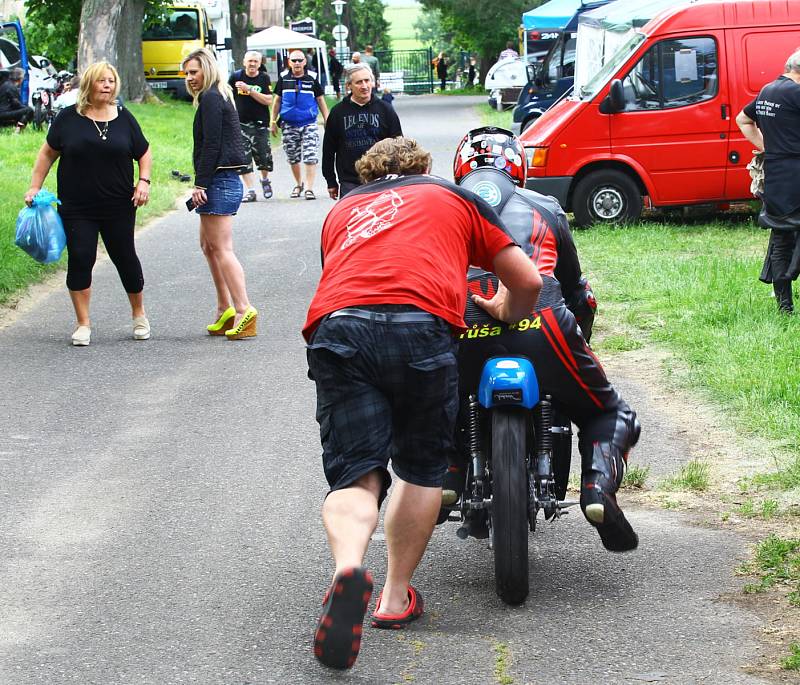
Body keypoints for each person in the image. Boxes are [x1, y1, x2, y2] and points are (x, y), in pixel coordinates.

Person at [304, 136, 542, 670]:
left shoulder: (342, 210)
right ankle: (393, 596)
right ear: (425, 167)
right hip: (421, 329)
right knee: (420, 467)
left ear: (367, 175)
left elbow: (343, 277)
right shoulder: (451, 197)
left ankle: (347, 568)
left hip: (340, 330)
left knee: (356, 477)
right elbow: (526, 280)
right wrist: (505, 310)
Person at [449, 127, 641, 552]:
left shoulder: (441, 208)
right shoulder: (545, 206)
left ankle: (446, 475)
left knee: (430, 404)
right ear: (517, 169)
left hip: (461, 323)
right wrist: (579, 343)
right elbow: (576, 290)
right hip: (544, 320)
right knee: (611, 412)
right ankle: (596, 489)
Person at [23, 61, 152, 346]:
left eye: (111, 80)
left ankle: (139, 314)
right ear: (89, 85)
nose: (108, 85)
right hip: (77, 205)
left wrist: (144, 182)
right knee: (81, 257)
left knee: (125, 257)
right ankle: (83, 324)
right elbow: (47, 154)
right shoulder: (68, 118)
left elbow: (143, 151)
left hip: (118, 204)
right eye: (102, 81)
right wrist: (35, 187)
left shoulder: (124, 117)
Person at [182, 48, 257, 340]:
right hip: (219, 179)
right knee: (208, 246)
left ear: (208, 70)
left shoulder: (213, 97)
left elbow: (212, 144)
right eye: (187, 73)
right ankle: (225, 307)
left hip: (219, 180)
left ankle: (243, 309)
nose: (190, 78)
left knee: (222, 247)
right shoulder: (214, 96)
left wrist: (200, 183)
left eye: (194, 72)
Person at [736, 48, 800, 314]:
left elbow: (743, 119)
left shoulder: (767, 91)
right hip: (796, 174)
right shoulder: (796, 93)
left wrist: (767, 147)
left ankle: (784, 304)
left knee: (781, 237)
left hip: (775, 176)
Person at [322, 64, 402, 200]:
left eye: (367, 80)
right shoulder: (337, 113)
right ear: (349, 86)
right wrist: (331, 181)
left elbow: (399, 145)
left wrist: (400, 177)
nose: (364, 86)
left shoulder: (386, 110)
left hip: (382, 178)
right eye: (359, 82)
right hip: (350, 181)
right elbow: (329, 150)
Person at [270, 49, 329, 200]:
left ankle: (309, 188)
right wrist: (272, 121)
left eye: (300, 60)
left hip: (308, 122)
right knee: (293, 157)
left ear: (304, 62)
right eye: (294, 60)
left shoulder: (312, 78)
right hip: (288, 124)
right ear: (289, 62)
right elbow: (276, 101)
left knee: (310, 155)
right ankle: (299, 184)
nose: (297, 63)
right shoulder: (283, 78)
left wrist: (327, 118)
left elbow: (321, 100)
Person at [229, 50, 274, 202]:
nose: (252, 64)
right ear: (244, 62)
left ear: (260, 64)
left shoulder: (264, 78)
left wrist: (249, 90)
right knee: (243, 158)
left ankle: (265, 180)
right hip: (240, 124)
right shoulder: (236, 77)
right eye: (250, 61)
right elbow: (227, 95)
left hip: (260, 124)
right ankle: (250, 190)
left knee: (263, 157)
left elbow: (268, 100)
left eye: (256, 61)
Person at [0, 67, 33, 132]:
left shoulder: (4, 85)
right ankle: (18, 130)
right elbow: (16, 104)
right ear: (20, 78)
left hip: (3, 112)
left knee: (25, 110)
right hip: (4, 114)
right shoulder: (12, 87)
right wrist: (26, 108)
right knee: (29, 110)